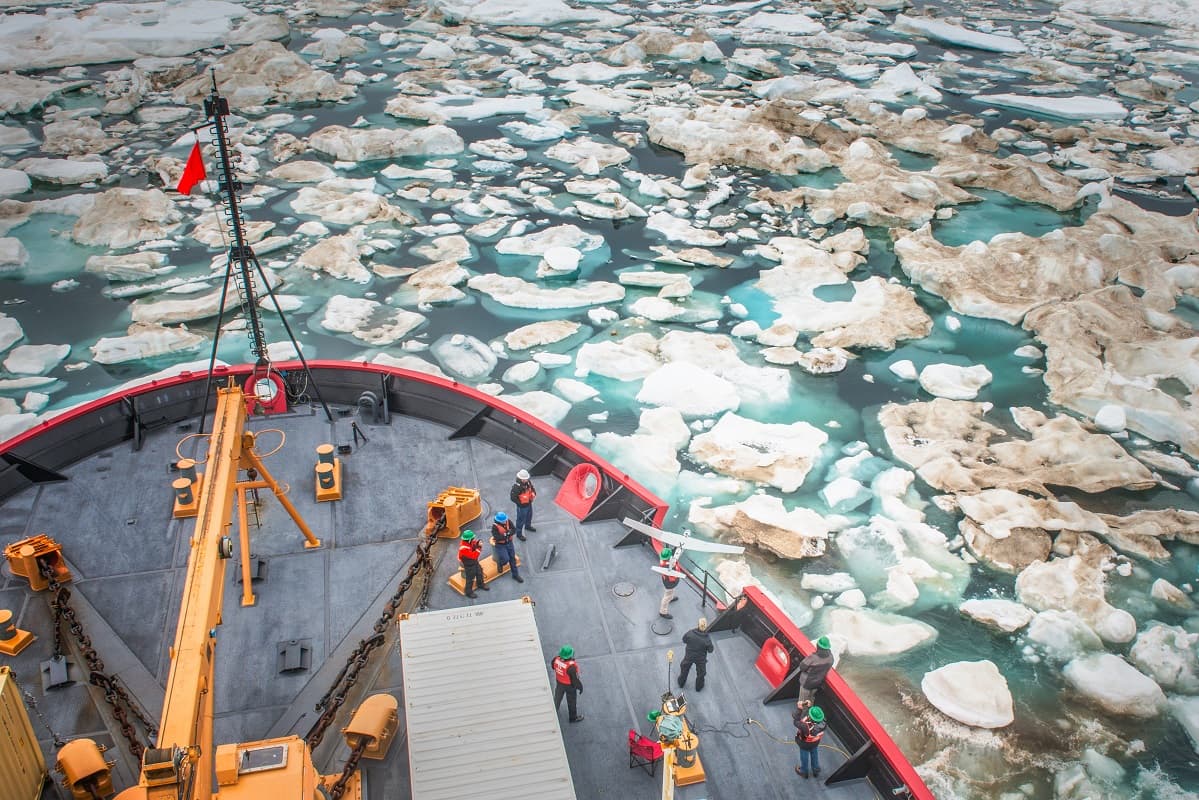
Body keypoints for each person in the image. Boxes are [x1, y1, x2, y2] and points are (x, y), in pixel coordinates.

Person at [677, 617, 714, 691]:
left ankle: (681, 683)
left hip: (689, 656)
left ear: (698, 625)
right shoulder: (707, 639)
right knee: (701, 673)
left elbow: (684, 640)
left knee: (684, 669)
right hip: (700, 659)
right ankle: (699, 687)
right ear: (706, 626)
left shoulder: (690, 633)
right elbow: (710, 650)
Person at [551, 645, 584, 723]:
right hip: (569, 686)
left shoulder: (555, 659)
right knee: (571, 702)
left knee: (557, 697)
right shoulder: (571, 667)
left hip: (559, 683)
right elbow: (575, 680)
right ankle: (573, 718)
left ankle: (554, 709)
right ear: (570, 655)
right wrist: (580, 687)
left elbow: (553, 667)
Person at [797, 636, 834, 705]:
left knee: (802, 702)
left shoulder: (812, 658)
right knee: (810, 698)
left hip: (807, 683)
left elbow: (802, 667)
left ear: (818, 646)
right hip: (817, 683)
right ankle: (809, 711)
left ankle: (801, 714)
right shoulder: (831, 658)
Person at [793, 705, 826, 778]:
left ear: (810, 717)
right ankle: (816, 769)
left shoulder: (805, 726)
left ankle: (804, 771)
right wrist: (809, 706)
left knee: (804, 756)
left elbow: (795, 721)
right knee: (814, 754)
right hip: (815, 743)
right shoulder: (823, 722)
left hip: (805, 744)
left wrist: (799, 709)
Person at [490, 511, 523, 583]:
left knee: (512, 558)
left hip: (509, 543)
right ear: (499, 521)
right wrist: (507, 535)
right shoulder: (494, 527)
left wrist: (507, 534)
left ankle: (515, 574)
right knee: (505, 559)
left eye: (505, 520)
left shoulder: (508, 521)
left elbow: (514, 529)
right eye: (503, 521)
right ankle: (500, 563)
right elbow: (497, 537)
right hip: (500, 545)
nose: (505, 522)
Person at [458, 530, 488, 599]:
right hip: (468, 564)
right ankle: (468, 592)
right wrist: (479, 547)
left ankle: (480, 584)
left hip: (473, 561)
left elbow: (474, 544)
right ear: (469, 540)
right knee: (470, 578)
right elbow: (474, 556)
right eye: (472, 539)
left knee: (479, 571)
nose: (473, 539)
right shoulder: (463, 549)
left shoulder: (468, 543)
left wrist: (477, 543)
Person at [510, 468, 537, 540]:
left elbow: (532, 488)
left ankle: (527, 526)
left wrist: (534, 492)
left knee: (529, 515)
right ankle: (519, 534)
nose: (527, 479)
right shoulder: (516, 488)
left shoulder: (528, 483)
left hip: (529, 503)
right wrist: (520, 504)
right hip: (522, 507)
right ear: (522, 479)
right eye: (526, 479)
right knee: (520, 520)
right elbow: (513, 498)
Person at [658, 547, 680, 619]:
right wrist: (673, 566)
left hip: (668, 581)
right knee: (667, 596)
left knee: (670, 593)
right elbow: (673, 572)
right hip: (669, 583)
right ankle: (663, 612)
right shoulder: (668, 566)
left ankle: (671, 598)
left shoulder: (663, 560)